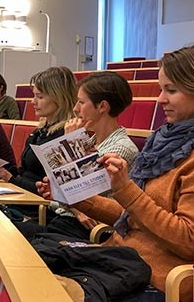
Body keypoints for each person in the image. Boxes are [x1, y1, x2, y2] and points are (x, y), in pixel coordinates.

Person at [37, 44, 194, 302]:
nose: (160, 99)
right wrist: (73, 195)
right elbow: (133, 219)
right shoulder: (168, 143)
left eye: (171, 90)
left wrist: (127, 190)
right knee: (33, 279)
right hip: (124, 264)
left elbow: (190, 240)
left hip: (166, 288)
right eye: (162, 88)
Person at [43, 71, 140, 240]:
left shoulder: (121, 148)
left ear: (102, 106)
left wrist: (71, 142)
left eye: (81, 102)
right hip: (63, 219)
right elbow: (66, 192)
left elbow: (86, 197)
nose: (75, 109)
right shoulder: (91, 141)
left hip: (90, 231)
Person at [0, 66, 78, 194]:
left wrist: (12, 180)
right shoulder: (41, 130)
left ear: (59, 99)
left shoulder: (66, 133)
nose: (33, 101)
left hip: (38, 207)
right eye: (34, 96)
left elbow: (56, 191)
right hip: (23, 196)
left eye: (40, 97)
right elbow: (24, 172)